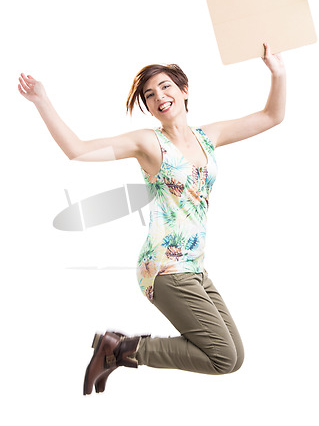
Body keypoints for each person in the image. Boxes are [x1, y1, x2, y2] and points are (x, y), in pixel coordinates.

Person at [18, 42, 286, 395]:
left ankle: (118, 349)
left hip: (194, 267)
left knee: (233, 359)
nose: (159, 96)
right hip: (164, 268)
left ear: (184, 90)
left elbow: (271, 116)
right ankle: (120, 348)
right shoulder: (148, 143)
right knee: (221, 356)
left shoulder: (209, 137)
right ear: (147, 107)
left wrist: (278, 73)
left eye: (165, 87)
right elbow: (77, 149)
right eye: (149, 95)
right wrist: (42, 101)